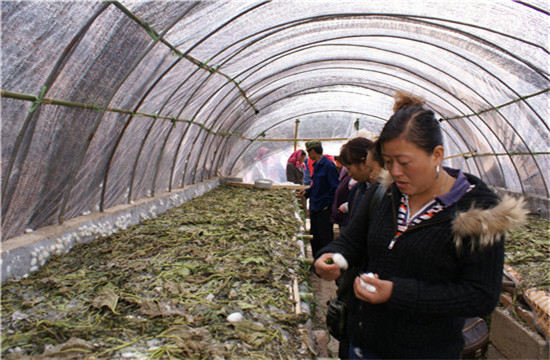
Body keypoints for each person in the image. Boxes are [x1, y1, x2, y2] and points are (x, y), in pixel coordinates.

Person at [314, 91, 527, 359]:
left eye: (404, 162)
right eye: (389, 162)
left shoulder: (477, 211)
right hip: (364, 344)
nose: (395, 172)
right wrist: (332, 256)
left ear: (437, 155)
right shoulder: (385, 193)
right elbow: (352, 240)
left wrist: (396, 293)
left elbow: (481, 295)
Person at [299, 140, 340, 258]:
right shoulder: (316, 165)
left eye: (308, 152)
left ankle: (326, 263)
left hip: (324, 209)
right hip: (315, 207)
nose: (308, 155)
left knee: (325, 237)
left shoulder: (328, 166)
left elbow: (334, 188)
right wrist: (307, 192)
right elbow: (317, 186)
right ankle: (317, 262)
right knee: (315, 236)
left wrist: (327, 204)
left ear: (313, 151)